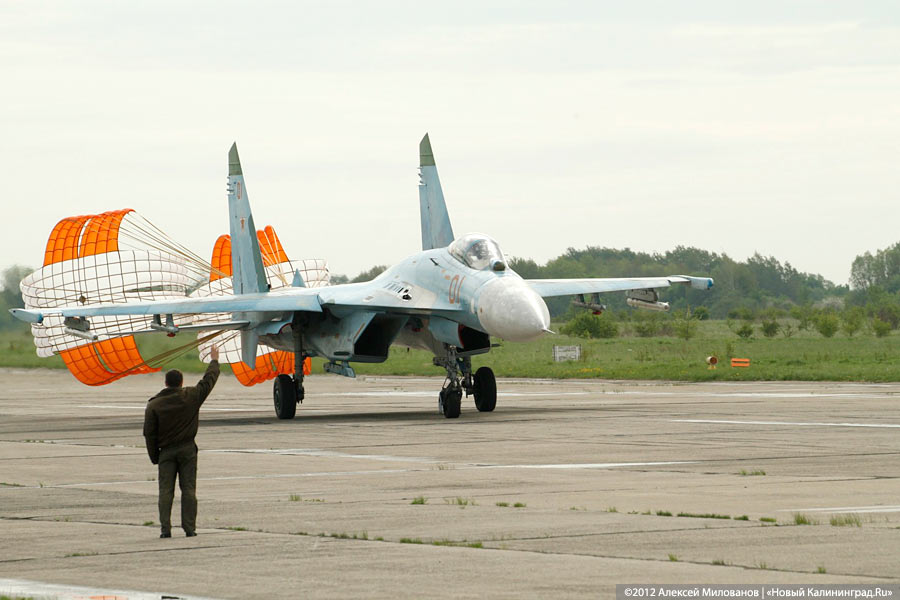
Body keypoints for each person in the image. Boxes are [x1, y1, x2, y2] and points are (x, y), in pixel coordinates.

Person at [143, 346, 220, 538]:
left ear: (166, 383)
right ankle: (189, 528)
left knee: (165, 491)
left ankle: (165, 529)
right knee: (189, 490)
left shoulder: (154, 405)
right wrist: (214, 360)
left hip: (166, 452)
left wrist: (155, 457)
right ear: (181, 382)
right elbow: (208, 381)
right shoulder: (191, 396)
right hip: (187, 450)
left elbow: (149, 434)